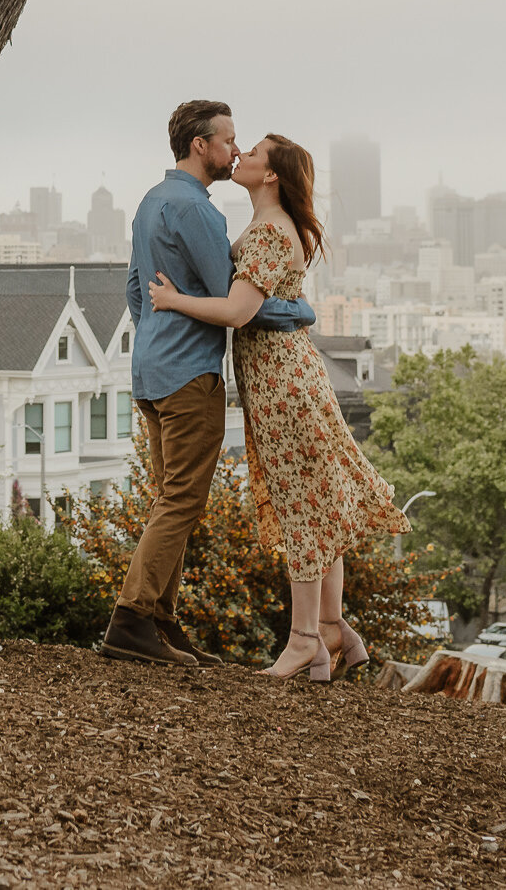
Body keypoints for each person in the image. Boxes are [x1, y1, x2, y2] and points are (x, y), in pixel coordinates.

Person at [146, 133, 408, 680]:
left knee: (301, 509)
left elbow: (239, 311)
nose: (241, 154)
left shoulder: (268, 231)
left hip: (282, 386)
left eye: (255, 152)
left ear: (271, 176)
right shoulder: (272, 226)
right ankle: (333, 629)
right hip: (287, 380)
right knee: (316, 505)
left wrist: (172, 301)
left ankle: (305, 638)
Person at [99, 101, 322, 668]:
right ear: (202, 145)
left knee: (166, 499)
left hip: (149, 370)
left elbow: (135, 289)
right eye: (228, 140)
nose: (233, 149)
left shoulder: (151, 202)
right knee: (181, 500)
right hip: (189, 374)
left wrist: (159, 327)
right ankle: (131, 619)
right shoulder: (198, 211)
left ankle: (160, 624)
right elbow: (234, 300)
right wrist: (297, 312)